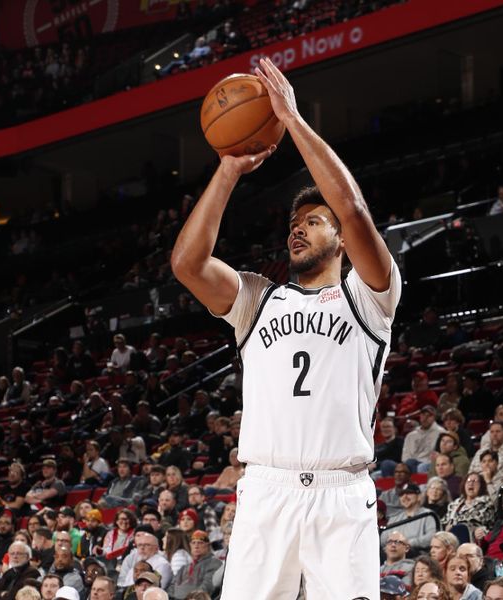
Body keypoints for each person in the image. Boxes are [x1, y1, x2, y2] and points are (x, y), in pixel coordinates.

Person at [171, 57, 401, 600]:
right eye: (294, 226)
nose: (298, 231)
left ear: (340, 238)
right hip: (267, 489)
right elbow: (187, 264)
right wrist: (228, 169)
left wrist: (291, 119)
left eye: (313, 223)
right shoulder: (257, 299)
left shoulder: (371, 296)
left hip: (341, 491)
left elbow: (353, 208)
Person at [380, 484, 437, 554]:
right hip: (393, 554)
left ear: (419, 497)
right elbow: (383, 539)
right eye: (401, 495)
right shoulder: (395, 517)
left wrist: (407, 543)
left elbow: (431, 538)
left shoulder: (428, 515)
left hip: (417, 555)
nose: (404, 497)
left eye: (409, 493)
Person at [167, 531, 222, 599]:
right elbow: (172, 586)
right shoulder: (184, 567)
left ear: (208, 545)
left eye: (200, 543)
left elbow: (207, 587)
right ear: (190, 545)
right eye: (193, 543)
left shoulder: (214, 563)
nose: (196, 546)